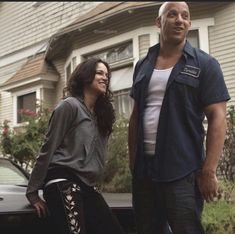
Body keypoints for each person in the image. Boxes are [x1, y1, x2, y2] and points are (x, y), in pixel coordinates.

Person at [128, 2, 230, 234]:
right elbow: (135, 118)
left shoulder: (205, 65)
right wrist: (134, 163)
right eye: (172, 14)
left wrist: (209, 170)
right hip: (145, 173)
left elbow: (218, 117)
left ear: (190, 24)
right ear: (159, 22)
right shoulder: (142, 66)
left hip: (183, 172)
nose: (179, 20)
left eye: (185, 16)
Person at [26, 57, 125, 234]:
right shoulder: (69, 106)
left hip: (87, 185)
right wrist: (33, 192)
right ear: (86, 76)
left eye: (107, 75)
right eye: (99, 73)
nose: (105, 78)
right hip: (62, 180)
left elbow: (99, 156)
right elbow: (48, 148)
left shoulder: (102, 115)